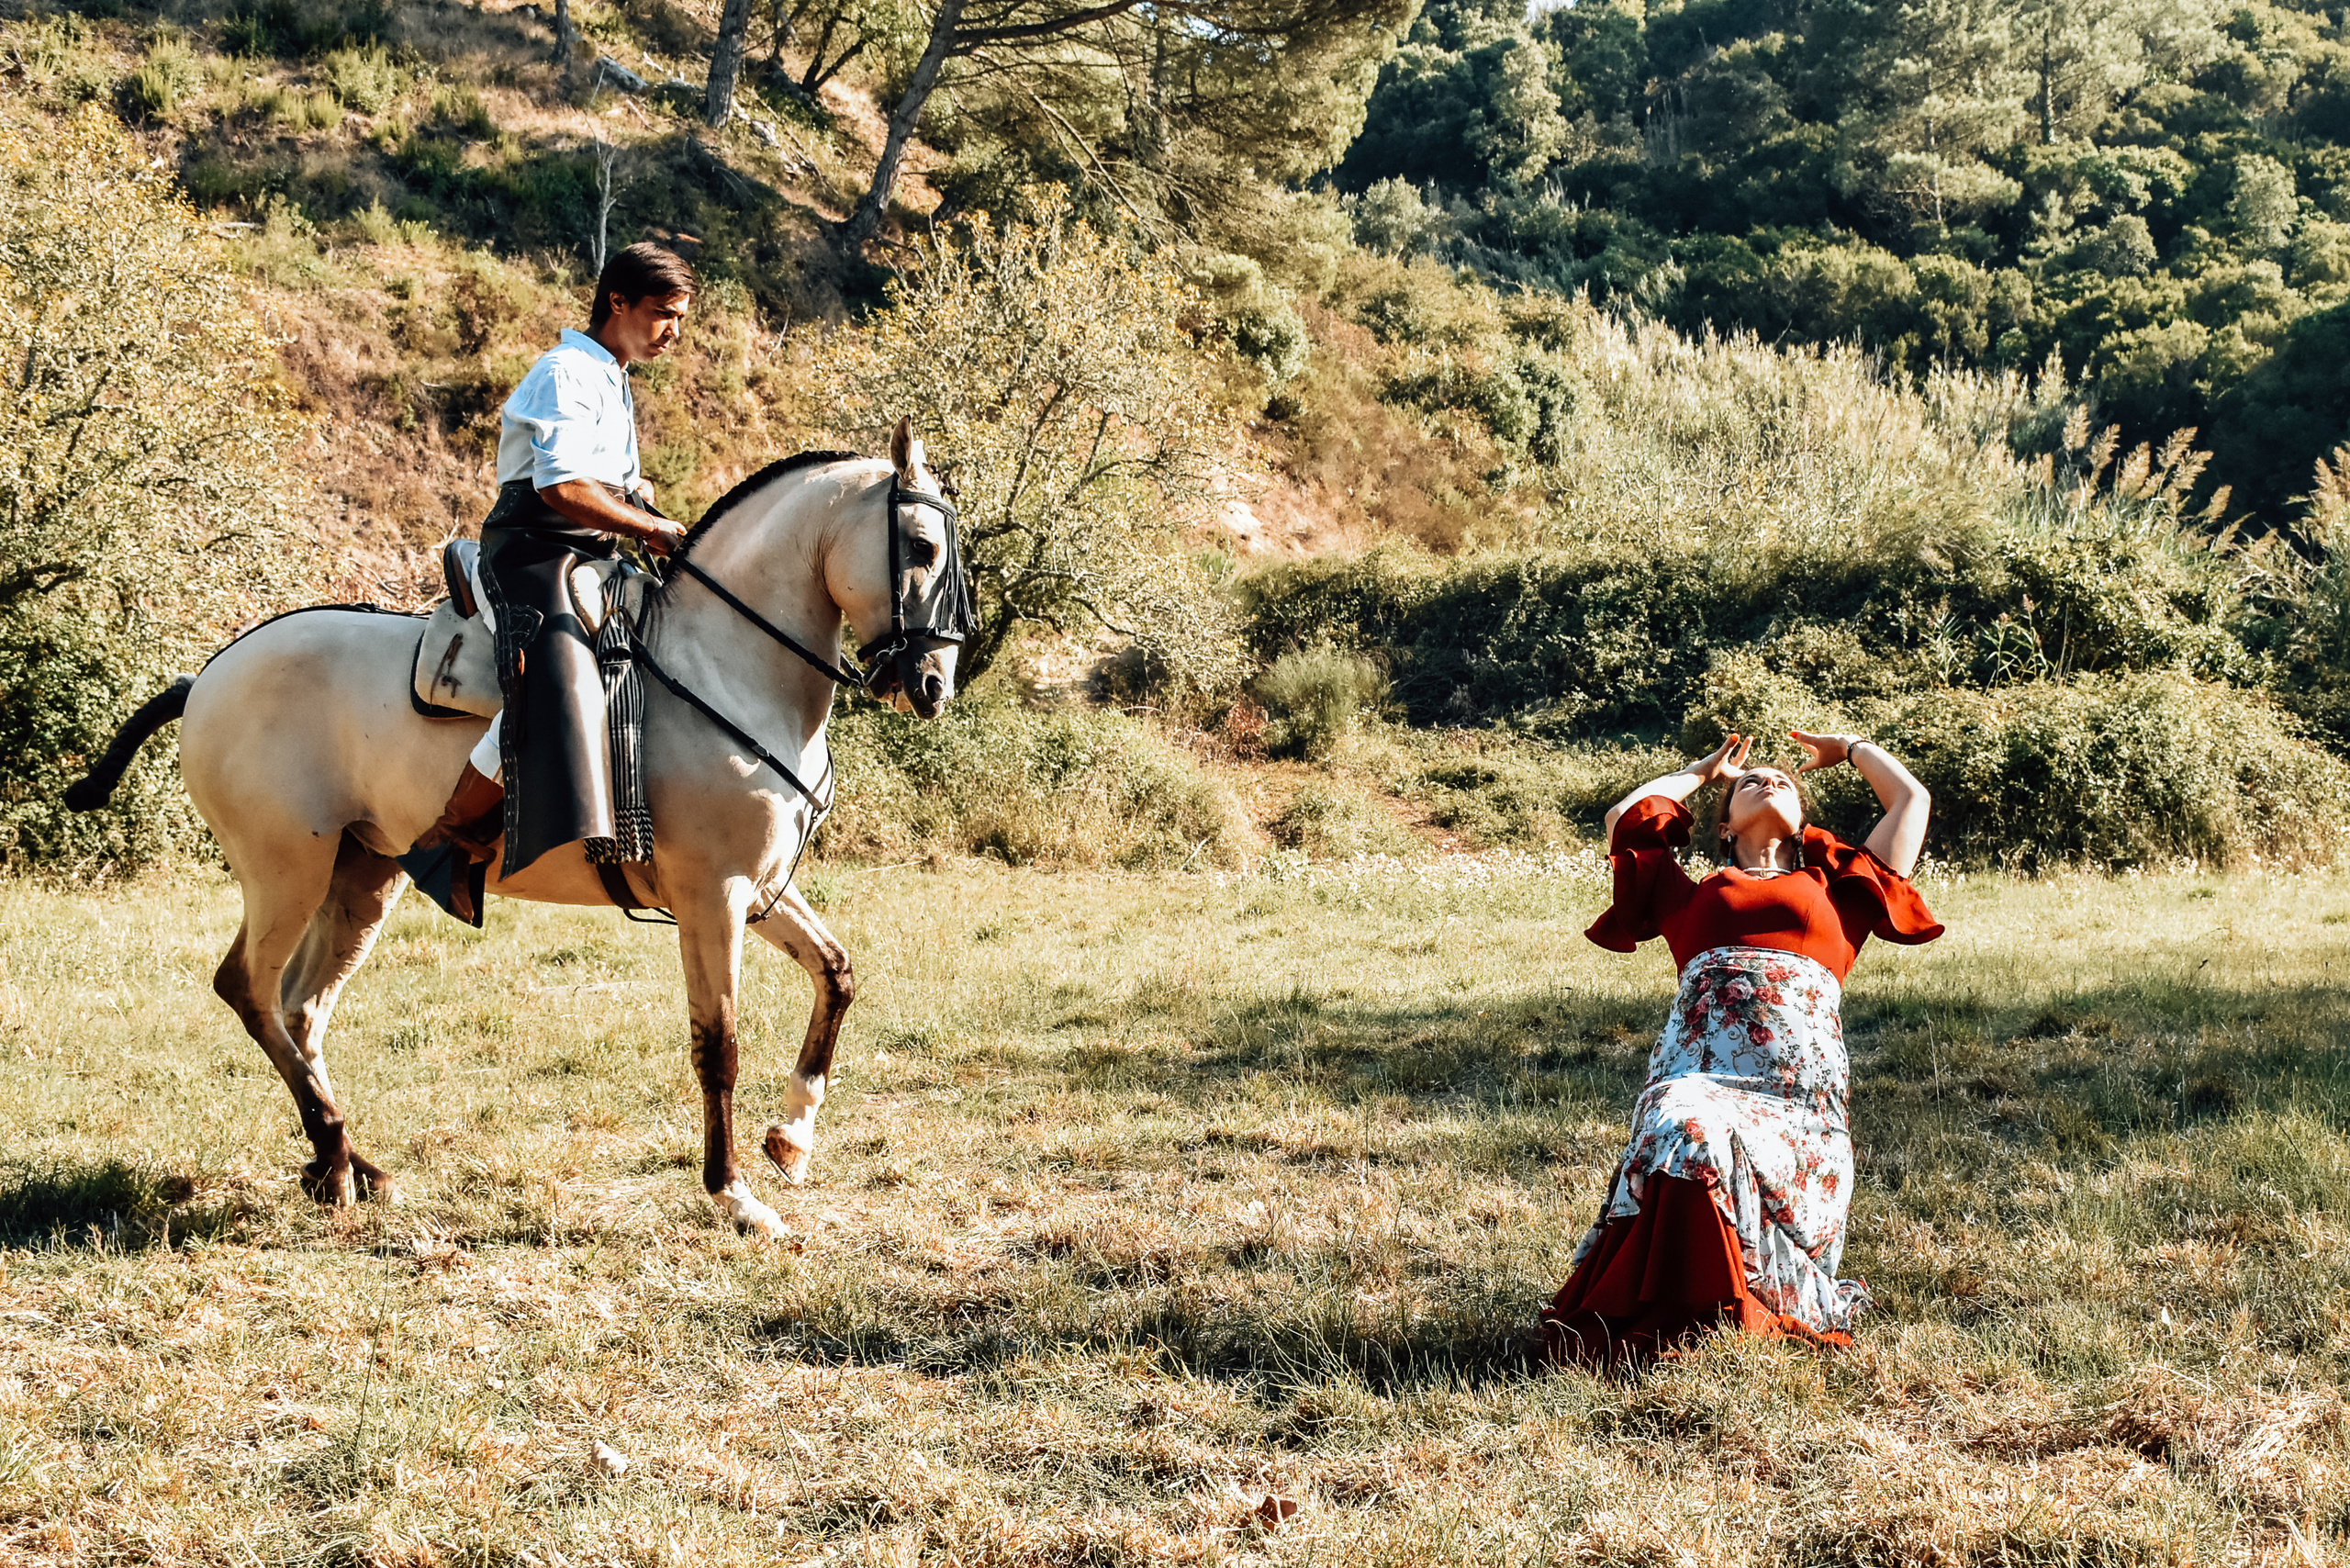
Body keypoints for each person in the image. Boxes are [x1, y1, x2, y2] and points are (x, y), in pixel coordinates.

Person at [1540, 729, 1942, 1365]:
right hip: (1698, 1070)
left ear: (1805, 820)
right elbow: (1625, 819)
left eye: (1784, 780)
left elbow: (1910, 801)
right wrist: (1702, 772)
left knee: (1726, 1153)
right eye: (1752, 779)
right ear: (1723, 827)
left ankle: (1731, 1309)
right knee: (1687, 1125)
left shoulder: (1841, 892)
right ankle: (1675, 1311)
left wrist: (1851, 748)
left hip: (1796, 1088)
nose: (1768, 779)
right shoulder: (1693, 895)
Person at [408, 243, 695, 918]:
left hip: (588, 554)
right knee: (557, 688)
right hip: (534, 551)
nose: (673, 332)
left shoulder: (612, 376)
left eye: (680, 318)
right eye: (662, 314)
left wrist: (650, 516)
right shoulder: (567, 370)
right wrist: (647, 528)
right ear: (616, 302)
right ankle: (449, 836)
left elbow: (607, 484)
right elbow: (562, 485)